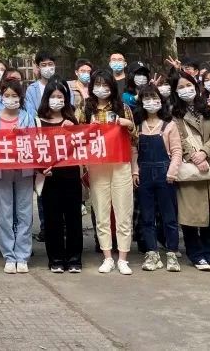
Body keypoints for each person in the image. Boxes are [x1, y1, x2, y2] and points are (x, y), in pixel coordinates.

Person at [171, 73, 210, 272]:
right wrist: (194, 156)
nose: (186, 89)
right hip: (190, 168)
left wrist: (204, 152)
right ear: (175, 91)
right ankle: (195, 254)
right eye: (181, 87)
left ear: (195, 87)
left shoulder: (208, 110)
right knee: (191, 214)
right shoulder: (174, 113)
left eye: (189, 85)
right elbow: (178, 139)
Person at [83, 69, 136, 275]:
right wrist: (88, 128)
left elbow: (135, 139)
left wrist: (128, 124)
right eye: (97, 84)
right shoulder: (85, 108)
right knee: (101, 211)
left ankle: (123, 258)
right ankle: (107, 257)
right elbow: (75, 136)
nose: (101, 88)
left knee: (123, 211)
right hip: (97, 164)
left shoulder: (122, 107)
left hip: (120, 163)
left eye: (105, 85)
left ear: (112, 87)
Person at [0, 81, 35, 274]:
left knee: (24, 213)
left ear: (20, 98)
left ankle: (22, 255)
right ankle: (9, 255)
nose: (11, 99)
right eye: (7, 95)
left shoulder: (27, 117)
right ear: (1, 97)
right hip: (1, 170)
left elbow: (35, 142)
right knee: (4, 214)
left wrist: (24, 135)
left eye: (14, 96)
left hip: (23, 169)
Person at [131, 85, 181, 273]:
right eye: (147, 99)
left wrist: (172, 172)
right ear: (141, 103)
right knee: (147, 217)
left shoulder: (169, 125)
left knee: (169, 217)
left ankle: (172, 253)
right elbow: (134, 152)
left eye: (155, 98)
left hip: (165, 175)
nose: (151, 102)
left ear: (161, 101)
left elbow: (176, 151)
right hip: (144, 175)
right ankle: (152, 253)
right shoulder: (138, 127)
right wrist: (135, 172)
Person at [35, 80, 83, 273]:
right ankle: (55, 258)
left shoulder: (72, 121)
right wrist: (40, 169)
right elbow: (34, 148)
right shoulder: (38, 122)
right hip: (49, 176)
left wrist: (73, 130)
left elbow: (82, 147)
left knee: (73, 218)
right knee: (52, 218)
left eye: (60, 97)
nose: (56, 100)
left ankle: (74, 258)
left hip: (70, 175)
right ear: (46, 99)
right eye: (53, 96)